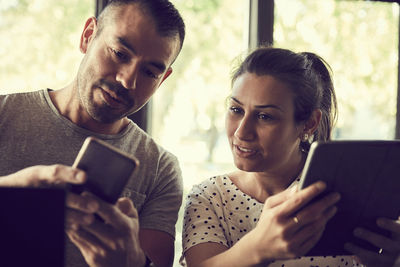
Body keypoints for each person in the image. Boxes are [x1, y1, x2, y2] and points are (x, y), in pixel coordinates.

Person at [0, 0, 185, 266]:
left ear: (163, 79)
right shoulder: (4, 115)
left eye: (149, 72)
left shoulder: (160, 169)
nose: (128, 81)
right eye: (120, 54)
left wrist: (131, 261)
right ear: (88, 36)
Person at [180, 47, 400, 266]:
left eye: (265, 116)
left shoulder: (351, 194)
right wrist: (258, 248)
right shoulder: (210, 198)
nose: (241, 132)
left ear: (309, 123)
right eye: (236, 110)